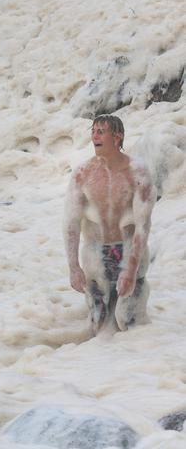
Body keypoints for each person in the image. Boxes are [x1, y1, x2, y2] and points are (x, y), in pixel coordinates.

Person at [63, 114, 156, 334]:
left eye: (101, 131)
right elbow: (71, 223)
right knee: (98, 321)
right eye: (93, 131)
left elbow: (143, 226)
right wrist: (73, 267)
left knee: (128, 321)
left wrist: (131, 270)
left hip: (129, 250)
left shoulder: (138, 173)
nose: (94, 136)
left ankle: (136, 360)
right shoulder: (82, 174)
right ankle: (94, 361)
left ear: (117, 137)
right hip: (95, 254)